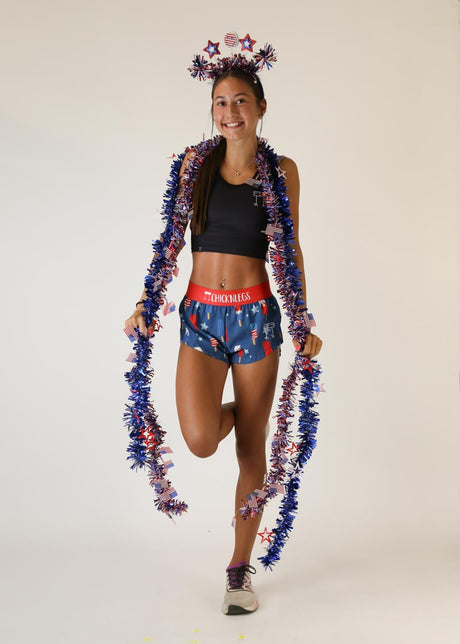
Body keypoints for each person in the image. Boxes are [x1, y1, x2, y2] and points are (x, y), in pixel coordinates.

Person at [124, 37, 323, 616]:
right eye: (220, 102)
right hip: (201, 317)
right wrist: (145, 302)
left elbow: (290, 249)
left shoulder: (281, 172)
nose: (230, 111)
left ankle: (239, 572)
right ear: (212, 109)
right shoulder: (195, 164)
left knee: (251, 450)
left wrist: (302, 318)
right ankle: (242, 413)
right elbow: (169, 239)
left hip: (257, 318)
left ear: (260, 107)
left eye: (240, 101)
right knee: (201, 439)